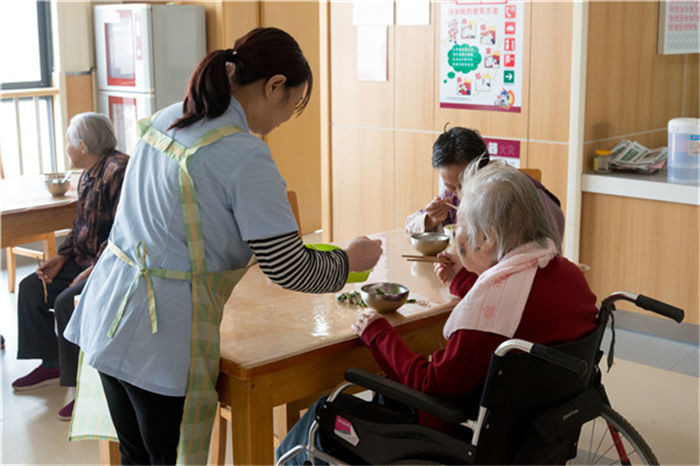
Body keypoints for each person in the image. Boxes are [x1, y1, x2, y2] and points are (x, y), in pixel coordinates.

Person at [64, 27, 382, 465]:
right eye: (293, 104)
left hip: (109, 311)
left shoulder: (169, 119)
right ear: (274, 86)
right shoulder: (243, 154)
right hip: (160, 335)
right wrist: (348, 260)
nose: (286, 118)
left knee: (138, 457)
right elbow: (288, 267)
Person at [277, 164, 597, 464]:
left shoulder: (492, 308)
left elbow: (429, 384)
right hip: (534, 436)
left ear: (488, 238)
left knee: (320, 415)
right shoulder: (569, 276)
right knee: (388, 396)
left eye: (464, 228)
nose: (459, 238)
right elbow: (519, 308)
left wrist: (378, 333)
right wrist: (465, 281)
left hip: (462, 440)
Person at [12, 112, 129, 422]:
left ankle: (85, 390)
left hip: (110, 266)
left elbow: (124, 232)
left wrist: (93, 270)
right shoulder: (89, 173)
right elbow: (80, 226)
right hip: (83, 259)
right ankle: (52, 363)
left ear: (81, 146)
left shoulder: (119, 171)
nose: (66, 148)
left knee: (67, 302)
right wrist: (62, 257)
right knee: (32, 287)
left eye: (68, 142)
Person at [405, 126, 565, 253]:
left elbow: (548, 249)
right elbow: (410, 225)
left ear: (484, 167)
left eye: (464, 184)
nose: (460, 194)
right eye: (450, 186)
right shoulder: (451, 196)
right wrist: (431, 220)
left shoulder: (516, 193)